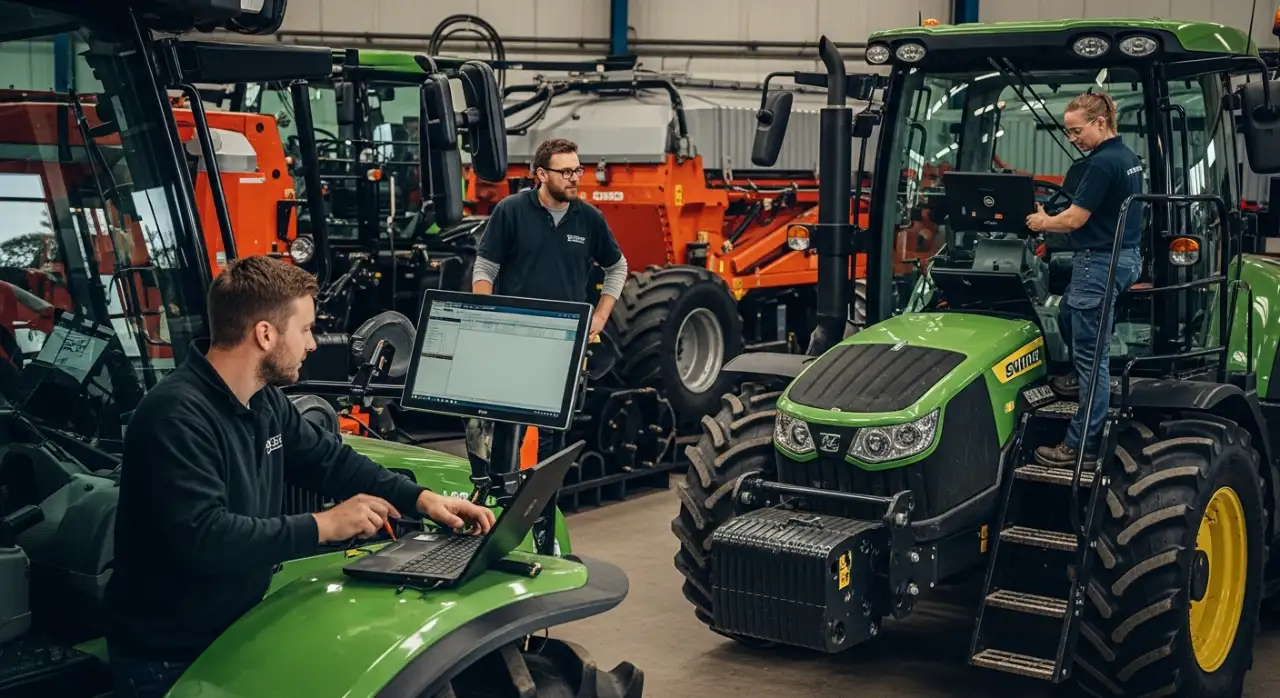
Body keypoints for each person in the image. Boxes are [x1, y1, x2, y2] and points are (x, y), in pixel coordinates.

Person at [103, 256, 496, 698]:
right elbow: (203, 538)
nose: (312, 344)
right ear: (265, 334)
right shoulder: (176, 416)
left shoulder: (262, 401)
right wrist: (324, 526)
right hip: (170, 658)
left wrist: (423, 500)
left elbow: (330, 460)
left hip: (236, 628)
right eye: (306, 328)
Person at [470, 137, 628, 461]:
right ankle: (503, 495)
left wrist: (599, 318)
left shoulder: (589, 218)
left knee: (552, 435)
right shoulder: (511, 211)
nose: (574, 178)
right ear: (541, 175)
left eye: (577, 170)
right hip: (513, 337)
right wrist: (483, 316)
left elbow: (617, 266)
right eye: (565, 171)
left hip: (562, 342)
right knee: (506, 427)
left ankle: (543, 505)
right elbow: (485, 266)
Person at [1024, 92, 1143, 467]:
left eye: (1076, 131)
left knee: (1095, 362)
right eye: (1068, 131)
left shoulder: (1101, 164)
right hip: (1126, 256)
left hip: (1099, 262)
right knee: (1067, 317)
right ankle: (1078, 378)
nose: (1072, 138)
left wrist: (1043, 222)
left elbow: (1074, 219)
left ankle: (1080, 445)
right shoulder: (1128, 158)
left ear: (1100, 123)